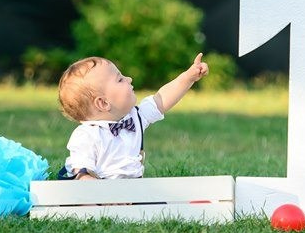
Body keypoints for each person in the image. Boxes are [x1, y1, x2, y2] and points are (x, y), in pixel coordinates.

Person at [56, 53, 209, 180]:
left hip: (133, 193)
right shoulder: (86, 135)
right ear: (103, 103)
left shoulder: (135, 117)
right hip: (101, 195)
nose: (129, 79)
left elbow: (162, 99)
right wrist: (103, 197)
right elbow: (81, 175)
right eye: (120, 79)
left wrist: (188, 77)